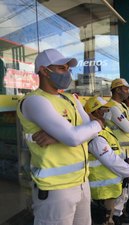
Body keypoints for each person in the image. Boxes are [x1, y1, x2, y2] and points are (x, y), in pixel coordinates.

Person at [16, 49, 103, 225]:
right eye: (62, 68)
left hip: (82, 182)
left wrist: (61, 135)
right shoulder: (34, 101)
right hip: (56, 189)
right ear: (44, 70)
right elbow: (74, 137)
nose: (67, 73)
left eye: (68, 69)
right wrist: (97, 124)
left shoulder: (70, 99)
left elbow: (87, 132)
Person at [84, 96, 129, 225]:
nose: (108, 112)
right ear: (95, 112)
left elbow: (116, 151)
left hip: (109, 190)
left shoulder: (105, 130)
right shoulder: (95, 136)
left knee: (109, 218)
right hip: (102, 191)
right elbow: (110, 160)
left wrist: (128, 160)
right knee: (105, 220)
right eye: (105, 109)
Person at [104, 78, 129, 224]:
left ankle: (121, 212)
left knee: (126, 184)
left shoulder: (121, 107)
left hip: (126, 150)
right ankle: (117, 216)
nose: (128, 92)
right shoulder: (113, 107)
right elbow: (128, 127)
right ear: (118, 89)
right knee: (121, 185)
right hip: (118, 151)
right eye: (126, 89)